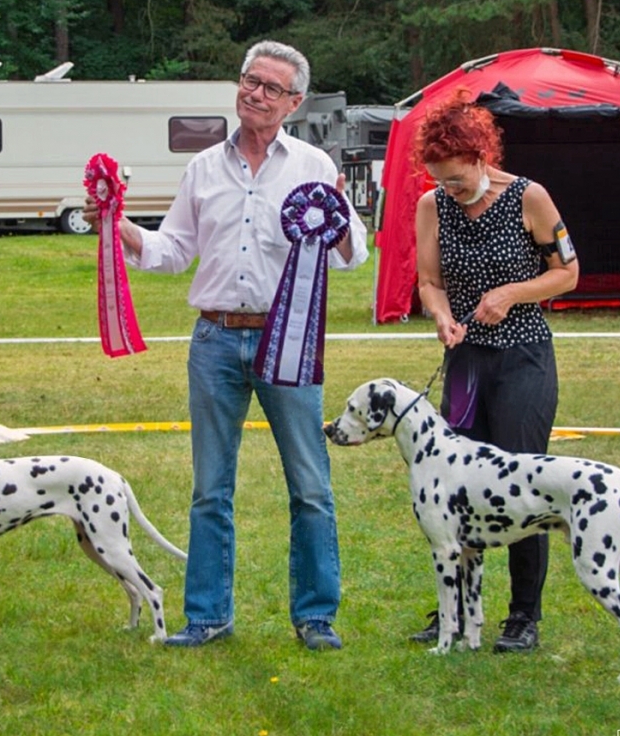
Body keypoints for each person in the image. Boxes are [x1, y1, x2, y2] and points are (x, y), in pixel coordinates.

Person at [85, 40, 368, 650]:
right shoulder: (202, 168)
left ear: (293, 102)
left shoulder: (315, 167)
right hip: (213, 340)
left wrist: (340, 215)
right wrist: (117, 223)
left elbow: (353, 259)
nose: (255, 94)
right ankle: (208, 616)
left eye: (271, 88)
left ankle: (316, 617)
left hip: (287, 340)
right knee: (210, 488)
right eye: (249, 81)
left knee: (311, 487)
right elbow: (171, 252)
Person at [409, 92, 579, 653]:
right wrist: (440, 314)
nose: (451, 191)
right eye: (441, 181)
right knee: (455, 486)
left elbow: (568, 273)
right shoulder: (433, 206)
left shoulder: (531, 197)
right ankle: (454, 609)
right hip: (466, 358)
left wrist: (510, 293)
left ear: (482, 157)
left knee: (524, 482)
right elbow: (430, 281)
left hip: (523, 354)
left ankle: (523, 615)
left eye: (457, 179)